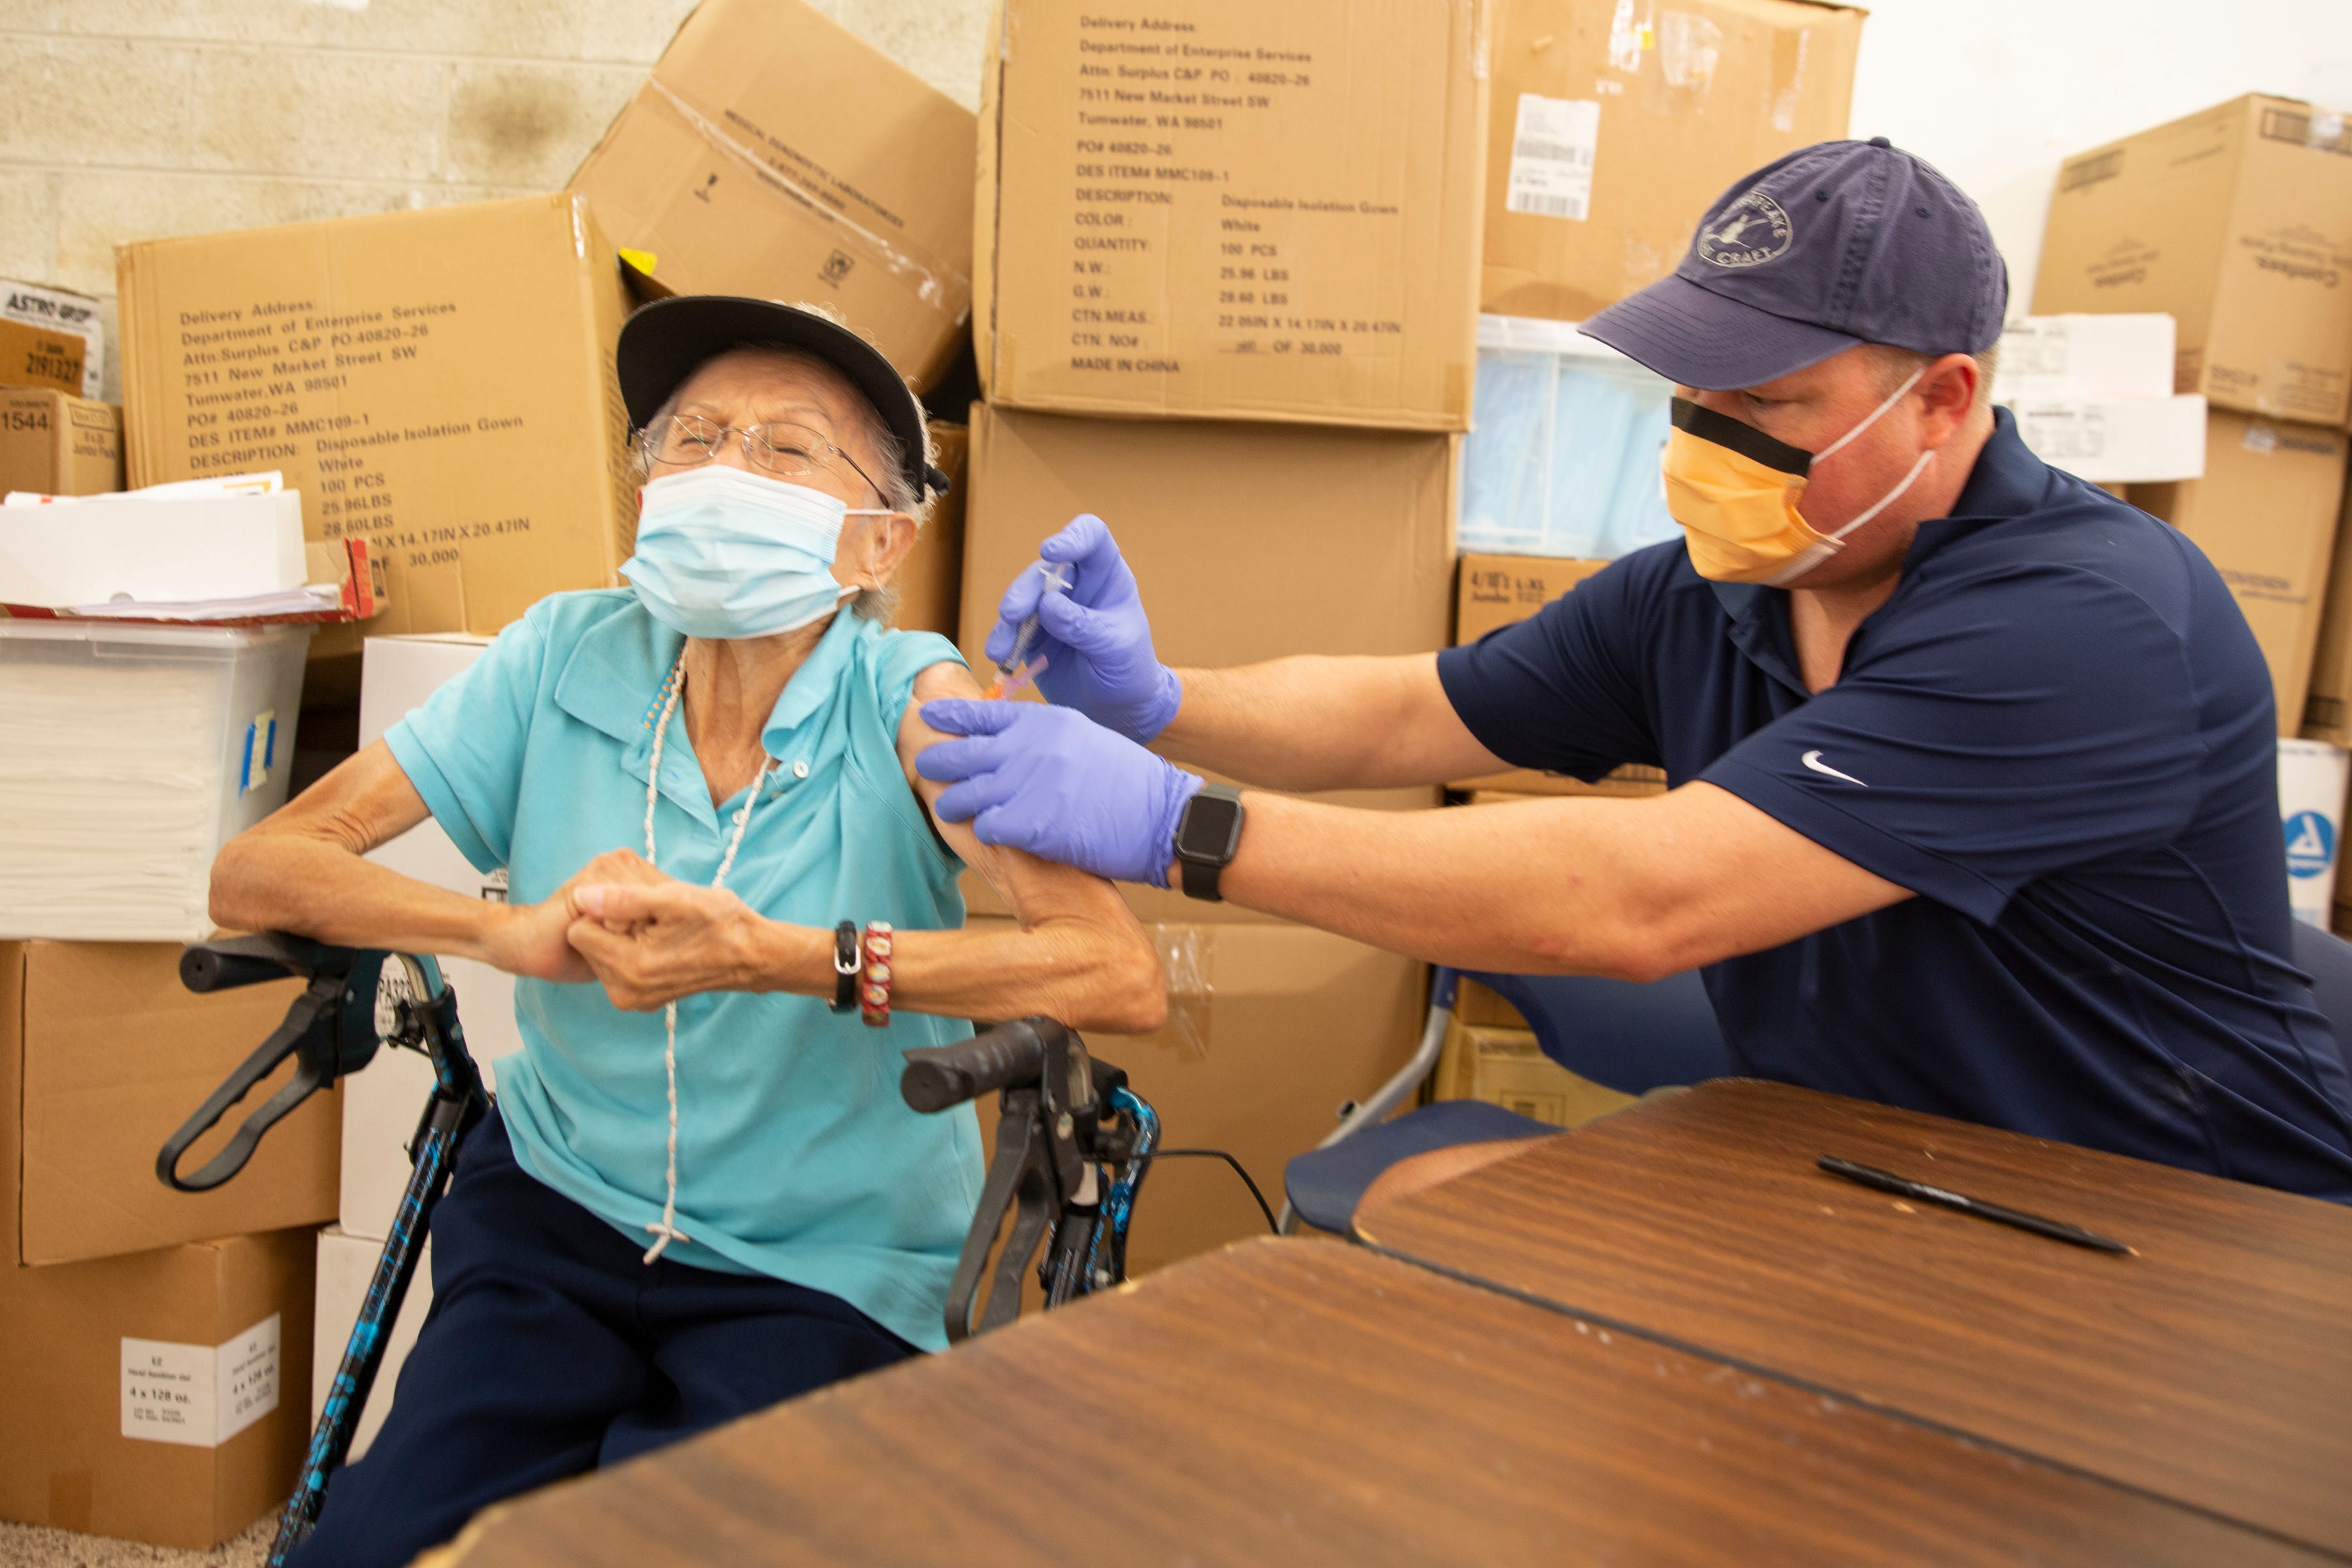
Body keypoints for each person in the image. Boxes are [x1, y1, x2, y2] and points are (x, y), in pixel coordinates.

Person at [917, 138, 2352, 1203]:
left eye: (1771, 400)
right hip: (1869, 1155)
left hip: (2173, 1212)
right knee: (1426, 1210)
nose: (1708, 440)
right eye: (1693, 391)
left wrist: (1185, 828)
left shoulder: (2084, 622)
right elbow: (1421, 708)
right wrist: (1163, 699)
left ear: (1949, 399)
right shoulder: (1725, 588)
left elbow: (1646, 899)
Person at [212, 296, 1165, 1567]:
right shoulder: (561, 656)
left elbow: (1112, 969)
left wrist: (781, 955)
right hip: (557, 1209)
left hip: (824, 1261)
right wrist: (504, 935)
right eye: (695, 437)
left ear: (878, 543)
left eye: (783, 450)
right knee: (373, 1551)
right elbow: (259, 870)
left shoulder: (914, 703)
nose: (724, 469)